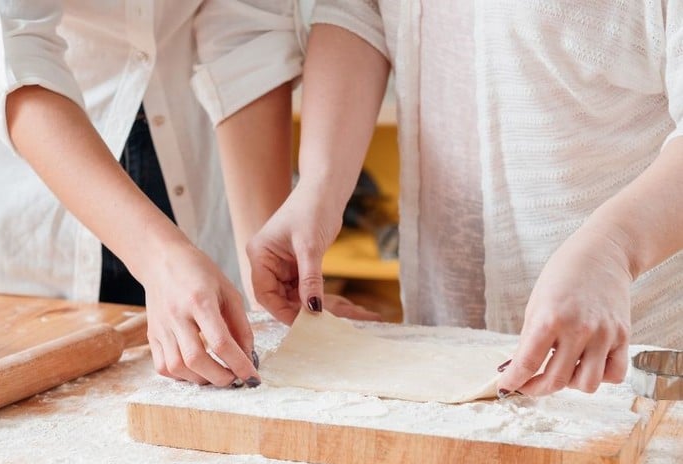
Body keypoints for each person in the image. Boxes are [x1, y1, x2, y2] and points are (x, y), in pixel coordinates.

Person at [248, 1, 683, 397]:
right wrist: (320, 186)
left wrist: (614, 248)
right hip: (443, 342)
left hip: (639, 370)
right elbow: (360, 12)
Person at [0, 1, 321, 388]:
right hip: (25, 206)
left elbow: (247, 38)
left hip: (189, 188)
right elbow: (15, 51)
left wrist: (261, 270)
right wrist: (159, 257)